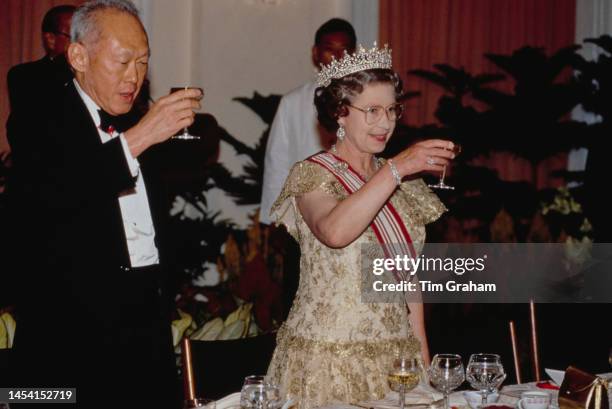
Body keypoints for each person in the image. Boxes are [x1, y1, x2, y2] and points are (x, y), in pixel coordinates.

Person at [5, 0, 202, 407]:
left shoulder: (139, 120)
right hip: (67, 338)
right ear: (77, 56)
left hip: (145, 330)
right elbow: (54, 194)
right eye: (124, 61)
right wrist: (139, 139)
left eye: (144, 62)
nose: (136, 75)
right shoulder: (39, 115)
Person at [266, 44, 455, 409]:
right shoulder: (313, 174)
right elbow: (335, 232)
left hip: (397, 359)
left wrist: (425, 366)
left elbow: (408, 279)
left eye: (391, 110)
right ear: (340, 113)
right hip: (330, 359)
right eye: (371, 111)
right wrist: (395, 169)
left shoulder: (403, 185)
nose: (385, 123)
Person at [259, 18, 356, 225]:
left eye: (344, 50)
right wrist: (275, 218)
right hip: (305, 214)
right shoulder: (292, 102)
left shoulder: (366, 100)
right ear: (316, 53)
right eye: (330, 50)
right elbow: (277, 162)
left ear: (354, 53)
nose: (338, 58)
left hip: (355, 207)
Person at [6, 5, 75, 115]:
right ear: (51, 39)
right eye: (74, 37)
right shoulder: (24, 75)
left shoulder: (94, 73)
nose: (81, 43)